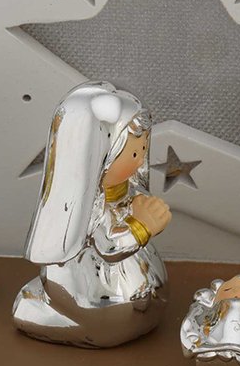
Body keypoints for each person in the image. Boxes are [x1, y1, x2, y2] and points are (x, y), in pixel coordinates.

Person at [13, 81, 171, 347]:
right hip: (99, 298)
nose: (138, 160)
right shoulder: (88, 208)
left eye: (143, 149)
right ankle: (52, 311)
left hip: (141, 296)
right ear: (97, 156)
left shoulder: (127, 191)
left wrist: (147, 216)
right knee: (112, 320)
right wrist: (142, 226)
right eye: (132, 151)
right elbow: (110, 245)